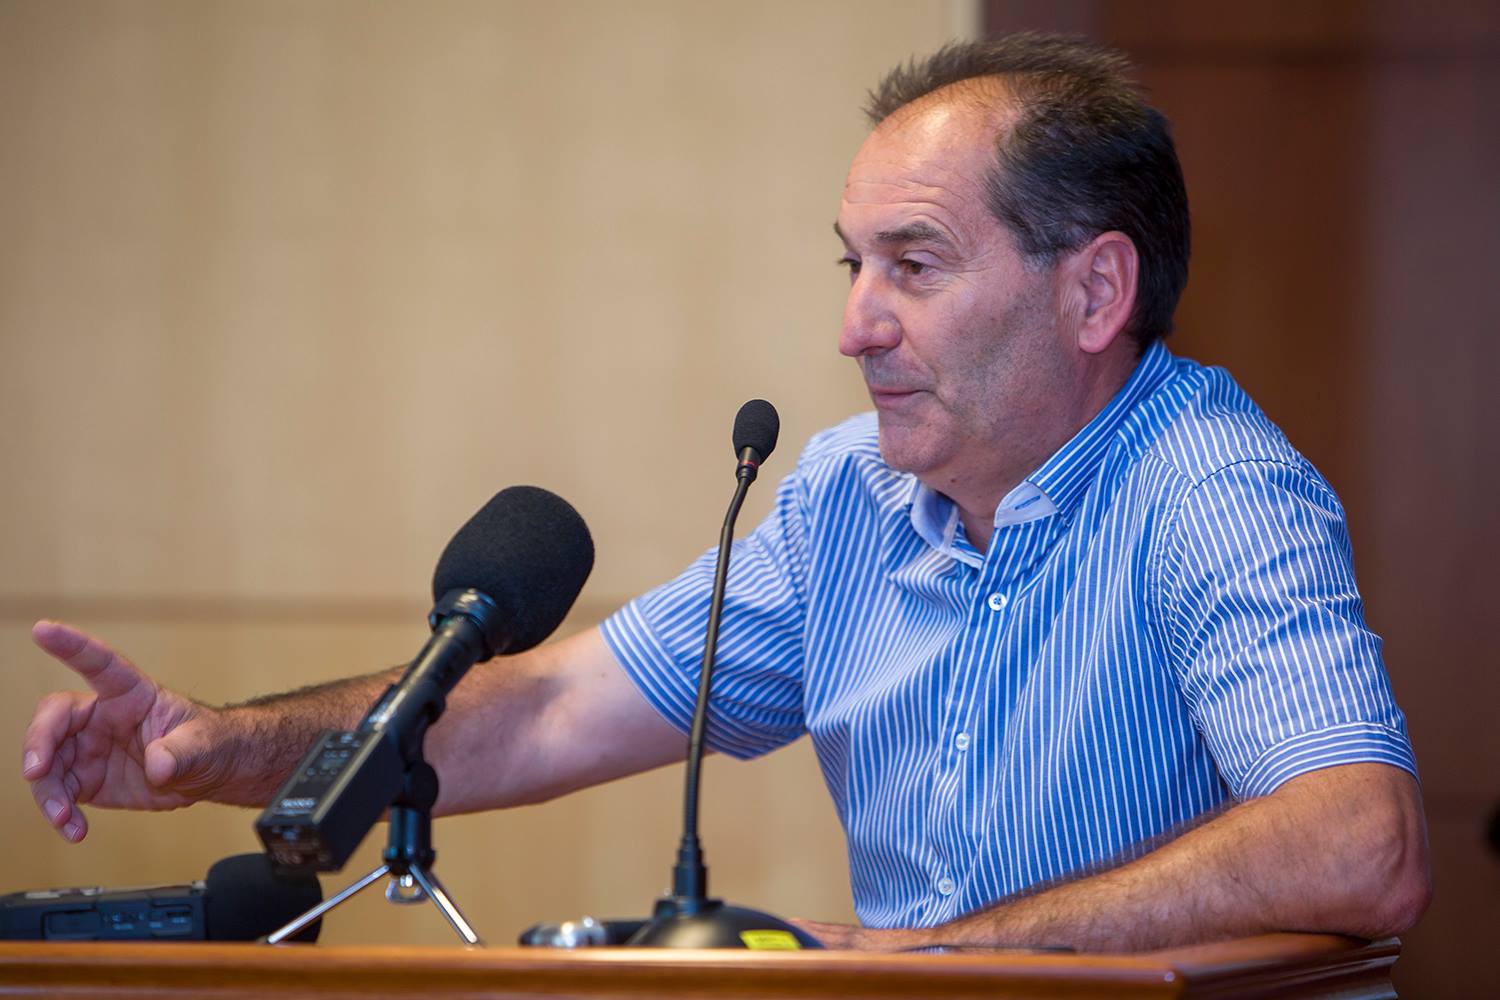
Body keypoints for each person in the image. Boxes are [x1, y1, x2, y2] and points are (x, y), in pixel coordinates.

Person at [19, 34, 1430, 951]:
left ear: (1094, 291)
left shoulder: (1211, 488)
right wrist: (218, 749)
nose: (855, 326)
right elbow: (548, 711)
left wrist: (943, 958)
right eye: (852, 266)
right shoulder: (847, 501)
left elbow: (1360, 844)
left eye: (915, 266)